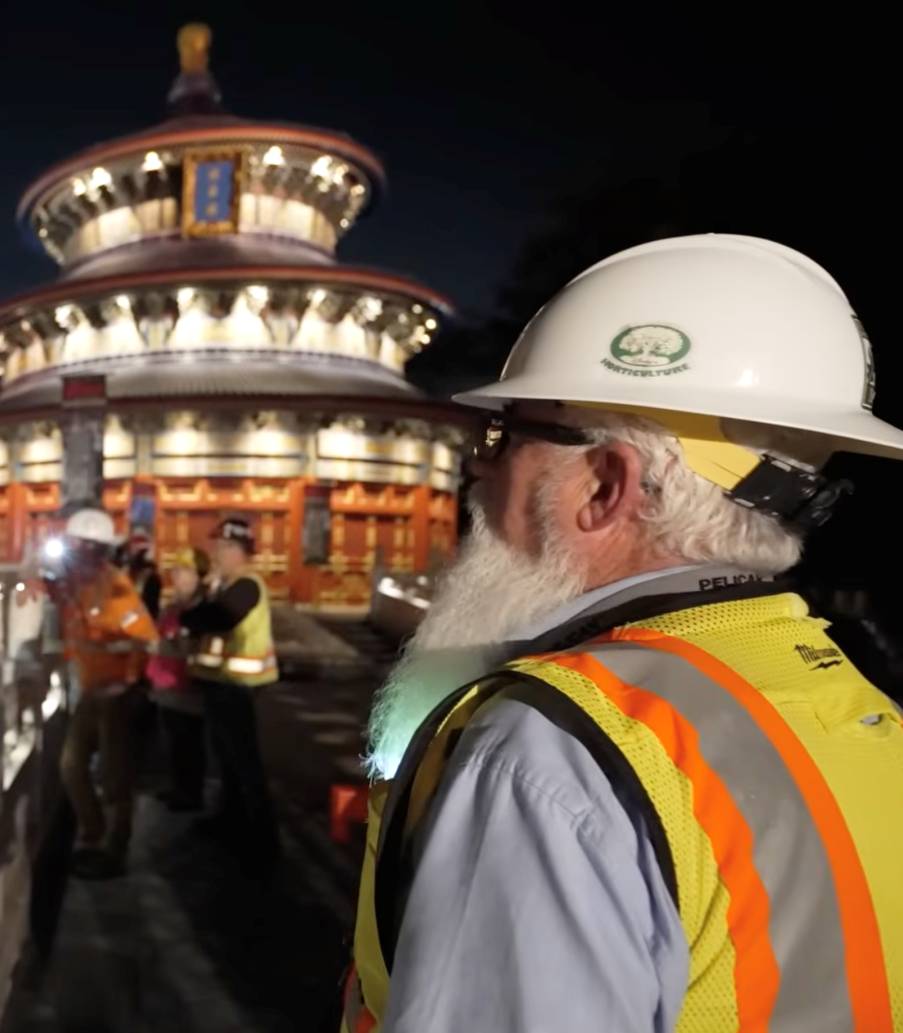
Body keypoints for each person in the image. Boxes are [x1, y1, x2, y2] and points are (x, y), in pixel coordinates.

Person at [341, 235, 903, 1033]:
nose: (477, 469)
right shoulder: (855, 702)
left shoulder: (548, 747)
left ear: (604, 485)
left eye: (504, 435)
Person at [51, 507, 159, 881]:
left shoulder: (115, 587)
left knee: (115, 777)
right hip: (91, 689)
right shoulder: (76, 585)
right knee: (71, 766)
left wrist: (126, 678)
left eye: (81, 546)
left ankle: (114, 850)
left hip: (117, 693)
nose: (75, 553)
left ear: (97, 550)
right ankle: (92, 833)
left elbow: (145, 638)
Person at [179, 518, 282, 865]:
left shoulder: (246, 585)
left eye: (225, 548)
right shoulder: (225, 584)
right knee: (227, 760)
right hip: (221, 684)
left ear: (242, 551)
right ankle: (230, 821)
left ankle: (262, 840)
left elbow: (216, 618)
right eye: (217, 547)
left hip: (239, 688)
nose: (217, 554)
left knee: (245, 763)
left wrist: (191, 610)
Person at [148, 548, 211, 812]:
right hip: (166, 685)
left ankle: (191, 794)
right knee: (173, 743)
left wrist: (162, 646)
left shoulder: (202, 610)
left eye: (185, 571)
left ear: (199, 576)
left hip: (188, 688)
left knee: (189, 745)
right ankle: (178, 787)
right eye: (176, 571)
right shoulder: (172, 608)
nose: (177, 577)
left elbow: (191, 646)